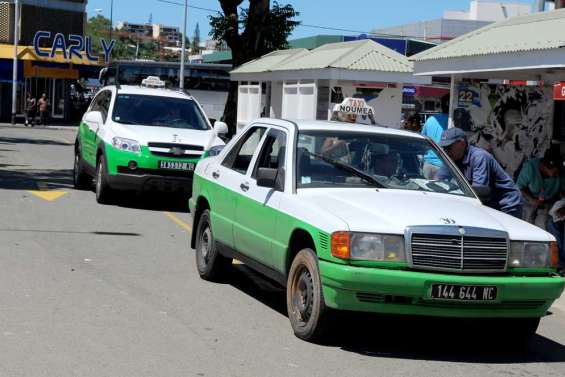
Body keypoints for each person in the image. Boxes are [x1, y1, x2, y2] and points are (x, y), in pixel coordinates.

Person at [437, 127, 523, 218]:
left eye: (449, 147)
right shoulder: (453, 158)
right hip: (490, 204)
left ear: (461, 143)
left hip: (507, 204)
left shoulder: (479, 157)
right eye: (444, 148)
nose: (446, 151)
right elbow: (438, 179)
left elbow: (479, 192)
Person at [516, 149, 565, 229]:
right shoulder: (530, 167)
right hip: (529, 200)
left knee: (543, 224)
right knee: (526, 223)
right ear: (545, 167)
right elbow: (520, 187)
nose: (557, 175)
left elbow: (563, 190)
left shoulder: (561, 172)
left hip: (548, 202)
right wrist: (532, 199)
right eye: (555, 173)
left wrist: (562, 204)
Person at [421, 94, 450, 179]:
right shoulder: (453, 122)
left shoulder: (430, 120)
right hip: (446, 167)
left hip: (428, 164)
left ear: (441, 106)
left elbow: (423, 140)